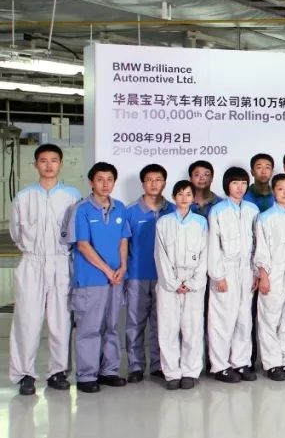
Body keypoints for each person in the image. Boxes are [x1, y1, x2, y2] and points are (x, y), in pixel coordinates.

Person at [8, 144, 82, 396]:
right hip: (32, 262)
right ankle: (24, 374)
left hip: (61, 261)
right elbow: (16, 232)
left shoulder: (72, 196)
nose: (49, 165)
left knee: (61, 319)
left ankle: (58, 372)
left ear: (61, 164)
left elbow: (75, 231)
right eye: (43, 160)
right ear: (35, 164)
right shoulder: (24, 197)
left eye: (54, 160)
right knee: (26, 319)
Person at [70, 162, 131, 393]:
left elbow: (123, 239)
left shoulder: (120, 208)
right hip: (91, 280)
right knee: (89, 328)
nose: (105, 184)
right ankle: (86, 375)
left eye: (110, 180)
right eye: (100, 179)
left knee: (111, 326)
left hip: (116, 279)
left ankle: (109, 371)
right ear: (91, 182)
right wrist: (107, 270)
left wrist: (123, 267)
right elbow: (83, 245)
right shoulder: (82, 209)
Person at [206, 166, 260, 384]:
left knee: (244, 319)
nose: (240, 187)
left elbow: (257, 243)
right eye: (235, 183)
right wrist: (217, 275)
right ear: (227, 185)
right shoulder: (218, 211)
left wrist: (255, 271)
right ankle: (220, 366)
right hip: (225, 269)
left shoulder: (252, 210)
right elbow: (213, 244)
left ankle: (241, 362)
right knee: (222, 320)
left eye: (244, 183)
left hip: (246, 269)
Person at [123, 164, 175, 383]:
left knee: (161, 322)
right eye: (149, 180)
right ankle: (135, 366)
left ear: (165, 183)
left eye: (158, 179)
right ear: (143, 183)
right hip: (137, 275)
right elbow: (123, 245)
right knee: (135, 322)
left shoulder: (173, 210)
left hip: (165, 277)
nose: (154, 184)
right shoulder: (130, 211)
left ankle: (158, 365)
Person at [154, 180, 208, 391]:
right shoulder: (164, 222)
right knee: (168, 328)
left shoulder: (201, 223)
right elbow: (160, 255)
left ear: (193, 198)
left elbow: (205, 253)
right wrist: (174, 282)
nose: (184, 198)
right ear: (174, 197)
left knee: (192, 327)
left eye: (188, 194)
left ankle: (190, 371)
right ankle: (171, 373)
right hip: (169, 281)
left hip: (193, 280)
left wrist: (194, 282)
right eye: (180, 194)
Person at [253, 174, 285, 381]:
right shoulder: (265, 218)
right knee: (269, 319)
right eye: (280, 188)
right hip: (273, 271)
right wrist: (264, 276)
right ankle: (273, 364)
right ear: (273, 191)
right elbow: (261, 249)